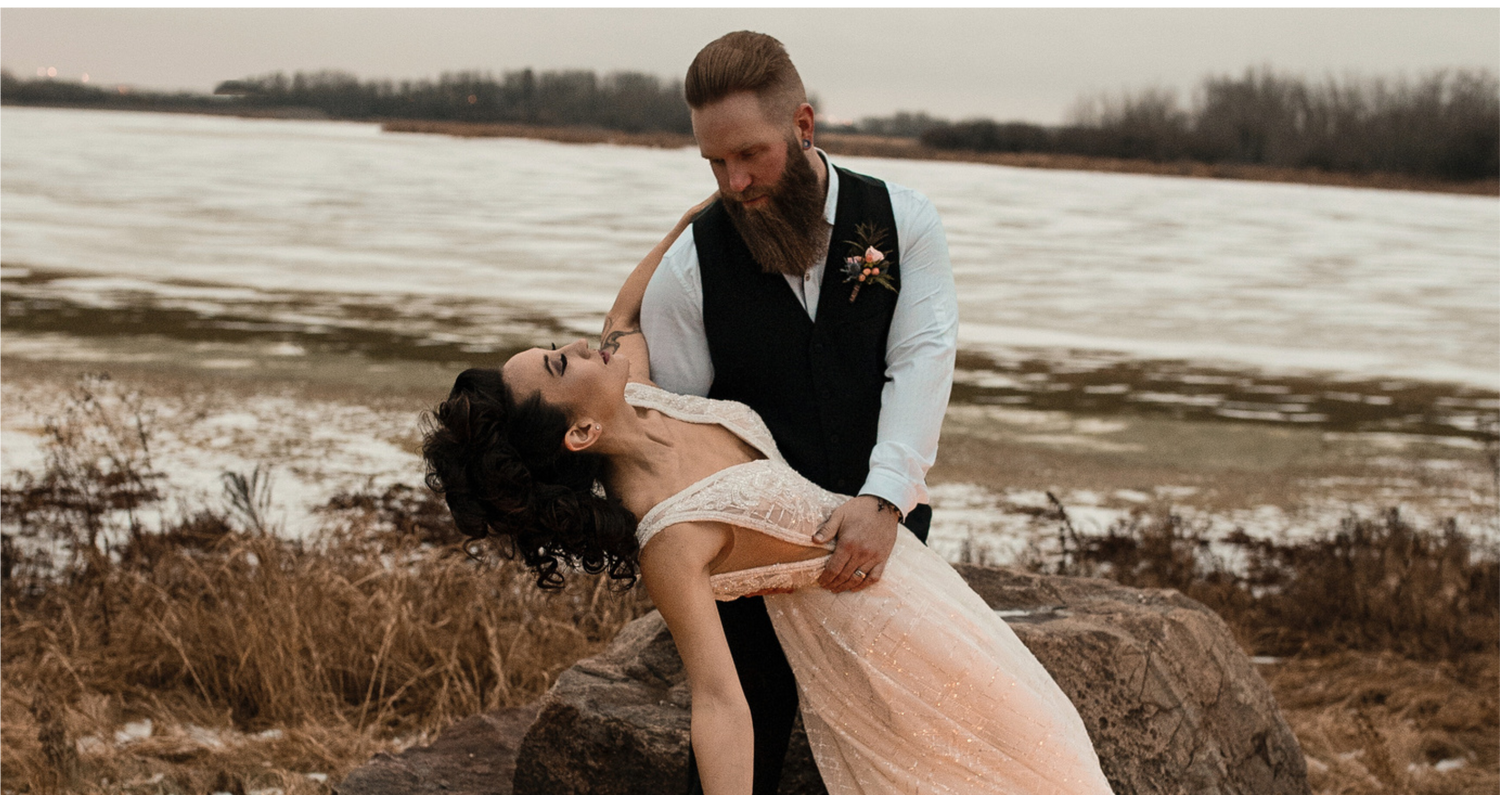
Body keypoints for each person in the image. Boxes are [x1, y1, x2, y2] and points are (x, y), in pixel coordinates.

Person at [421, 227, 1115, 795]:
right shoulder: (668, 534)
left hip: (922, 587)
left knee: (1053, 749)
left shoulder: (643, 396)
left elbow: (627, 311)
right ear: (579, 433)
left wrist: (712, 205)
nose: (576, 347)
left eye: (555, 347)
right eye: (558, 365)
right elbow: (719, 702)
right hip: (873, 648)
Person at [623, 31, 959, 793]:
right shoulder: (690, 266)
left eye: (750, 154)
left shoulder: (903, 221)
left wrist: (883, 501)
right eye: (715, 162)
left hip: (884, 530)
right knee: (745, 732)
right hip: (752, 556)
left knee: (906, 742)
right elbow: (691, 434)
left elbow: (921, 361)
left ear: (803, 125)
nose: (734, 182)